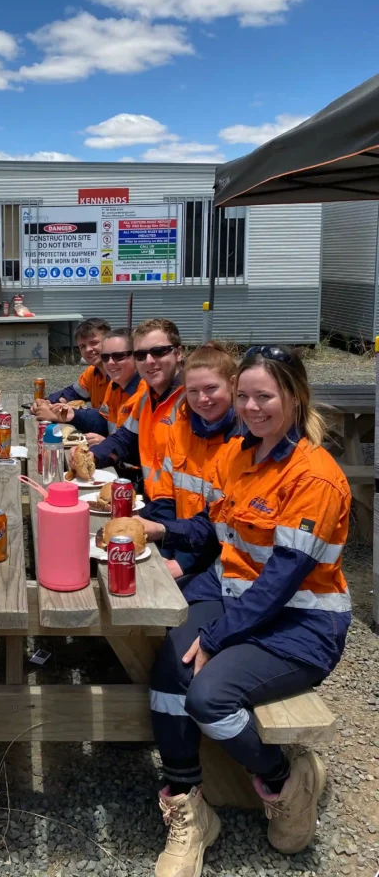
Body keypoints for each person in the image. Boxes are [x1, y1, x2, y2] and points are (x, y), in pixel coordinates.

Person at [147, 345, 351, 876]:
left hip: (301, 624)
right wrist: (157, 530)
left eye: (266, 397)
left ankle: (284, 780)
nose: (252, 407)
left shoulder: (314, 476)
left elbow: (281, 580)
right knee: (169, 667)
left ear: (295, 397)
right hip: (236, 598)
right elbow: (211, 532)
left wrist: (216, 637)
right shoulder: (239, 453)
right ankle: (189, 807)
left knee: (208, 697)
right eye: (245, 397)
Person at [138, 341, 240, 580]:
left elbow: (226, 523)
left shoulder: (243, 441)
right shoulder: (180, 428)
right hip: (180, 539)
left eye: (211, 388)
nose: (202, 399)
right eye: (193, 391)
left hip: (218, 559)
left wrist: (183, 563)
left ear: (233, 385)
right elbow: (165, 494)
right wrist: (165, 545)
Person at [73, 318, 183, 500]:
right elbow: (126, 438)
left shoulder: (194, 399)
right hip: (153, 497)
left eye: (159, 352)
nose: (149, 361)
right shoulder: (148, 396)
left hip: (180, 508)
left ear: (178, 353)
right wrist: (94, 455)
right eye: (141, 355)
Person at [49, 328, 143, 443]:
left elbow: (141, 445)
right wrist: (71, 414)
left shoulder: (145, 393)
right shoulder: (114, 384)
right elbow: (103, 419)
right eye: (105, 357)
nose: (110, 362)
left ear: (137, 356)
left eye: (118, 356)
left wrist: (107, 444)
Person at [32, 317, 110, 417]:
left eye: (94, 343)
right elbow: (72, 393)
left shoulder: (120, 375)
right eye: (82, 346)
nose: (88, 349)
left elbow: (107, 415)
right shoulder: (92, 372)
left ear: (110, 341)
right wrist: (47, 402)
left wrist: (66, 415)